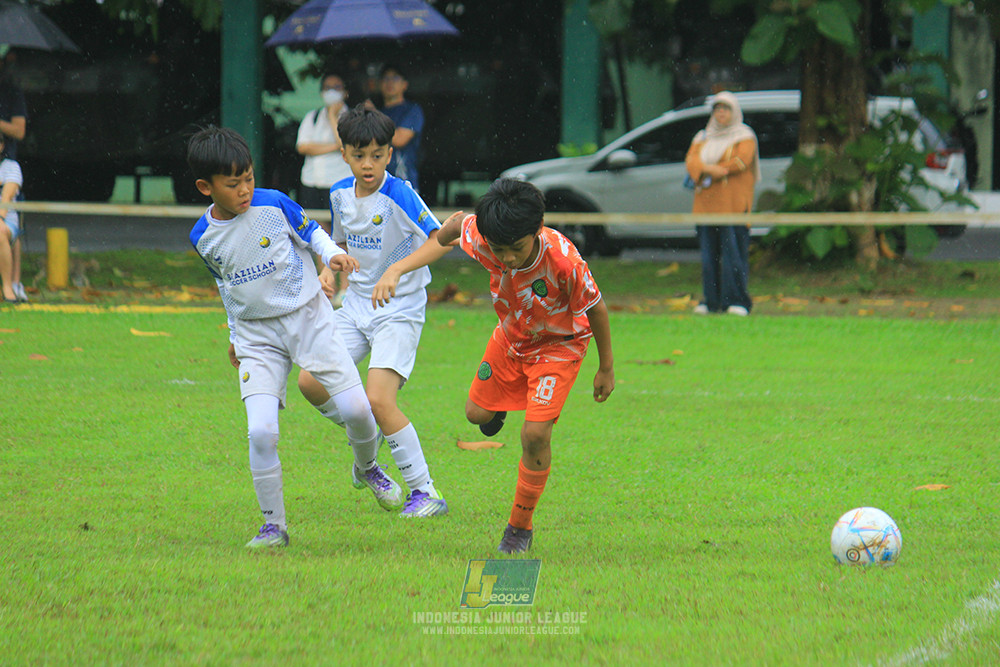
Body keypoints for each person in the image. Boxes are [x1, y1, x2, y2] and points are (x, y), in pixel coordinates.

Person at [186, 125, 405, 549]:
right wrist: (234, 332)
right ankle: (274, 527)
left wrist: (333, 255)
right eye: (233, 184)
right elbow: (226, 285)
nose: (245, 189)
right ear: (205, 187)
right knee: (261, 432)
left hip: (309, 319)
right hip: (256, 336)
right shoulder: (202, 236)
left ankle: (368, 468)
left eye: (248, 178)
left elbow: (312, 232)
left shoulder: (273, 203)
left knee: (358, 411)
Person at [373, 178, 615, 553]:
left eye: (517, 248)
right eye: (500, 250)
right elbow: (452, 229)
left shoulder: (564, 263)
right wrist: (402, 265)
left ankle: (519, 528)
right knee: (476, 414)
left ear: (537, 229)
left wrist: (606, 368)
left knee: (535, 435)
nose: (508, 258)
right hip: (511, 338)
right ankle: (501, 406)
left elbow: (596, 309)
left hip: (558, 347)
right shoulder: (482, 235)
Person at [297, 105, 450, 518]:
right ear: (344, 154)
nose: (369, 164)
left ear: (388, 154)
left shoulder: (399, 193)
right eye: (359, 155)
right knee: (310, 381)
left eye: (378, 155)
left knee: (379, 399)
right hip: (356, 306)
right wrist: (329, 270)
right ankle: (368, 437)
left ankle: (425, 492)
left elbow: (441, 239)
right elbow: (341, 244)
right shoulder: (339, 193)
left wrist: (396, 270)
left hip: (398, 311)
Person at [685, 90, 759, 316]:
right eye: (717, 109)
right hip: (706, 207)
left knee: (733, 255)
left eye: (726, 109)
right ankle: (711, 301)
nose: (721, 113)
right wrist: (710, 169)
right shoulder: (702, 137)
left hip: (733, 207)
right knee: (709, 258)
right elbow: (691, 161)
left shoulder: (744, 135)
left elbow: (741, 161)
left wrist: (715, 170)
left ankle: (737, 300)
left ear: (734, 112)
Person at [296, 72, 353, 307]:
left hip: (339, 182)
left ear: (345, 91)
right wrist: (332, 147)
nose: (331, 92)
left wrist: (332, 117)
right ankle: (327, 285)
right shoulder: (312, 117)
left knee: (343, 235)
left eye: (336, 87)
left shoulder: (350, 117)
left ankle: (346, 288)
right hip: (313, 181)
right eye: (328, 87)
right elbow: (303, 146)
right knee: (321, 234)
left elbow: (344, 142)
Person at [0, 51, 27, 302]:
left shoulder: (11, 93)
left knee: (7, 228)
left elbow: (19, 131)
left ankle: (13, 285)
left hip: (6, 163)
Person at [378, 64, 424, 192]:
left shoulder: (413, 110)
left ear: (405, 84)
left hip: (405, 183)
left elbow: (399, 139)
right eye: (386, 78)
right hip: (378, 184)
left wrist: (374, 117)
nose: (390, 82)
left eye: (395, 78)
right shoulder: (379, 112)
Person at [0, 132, 23, 303]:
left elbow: (6, 199)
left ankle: (8, 288)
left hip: (5, 220)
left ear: (1, 146)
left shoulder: (11, 167)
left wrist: (0, 218)